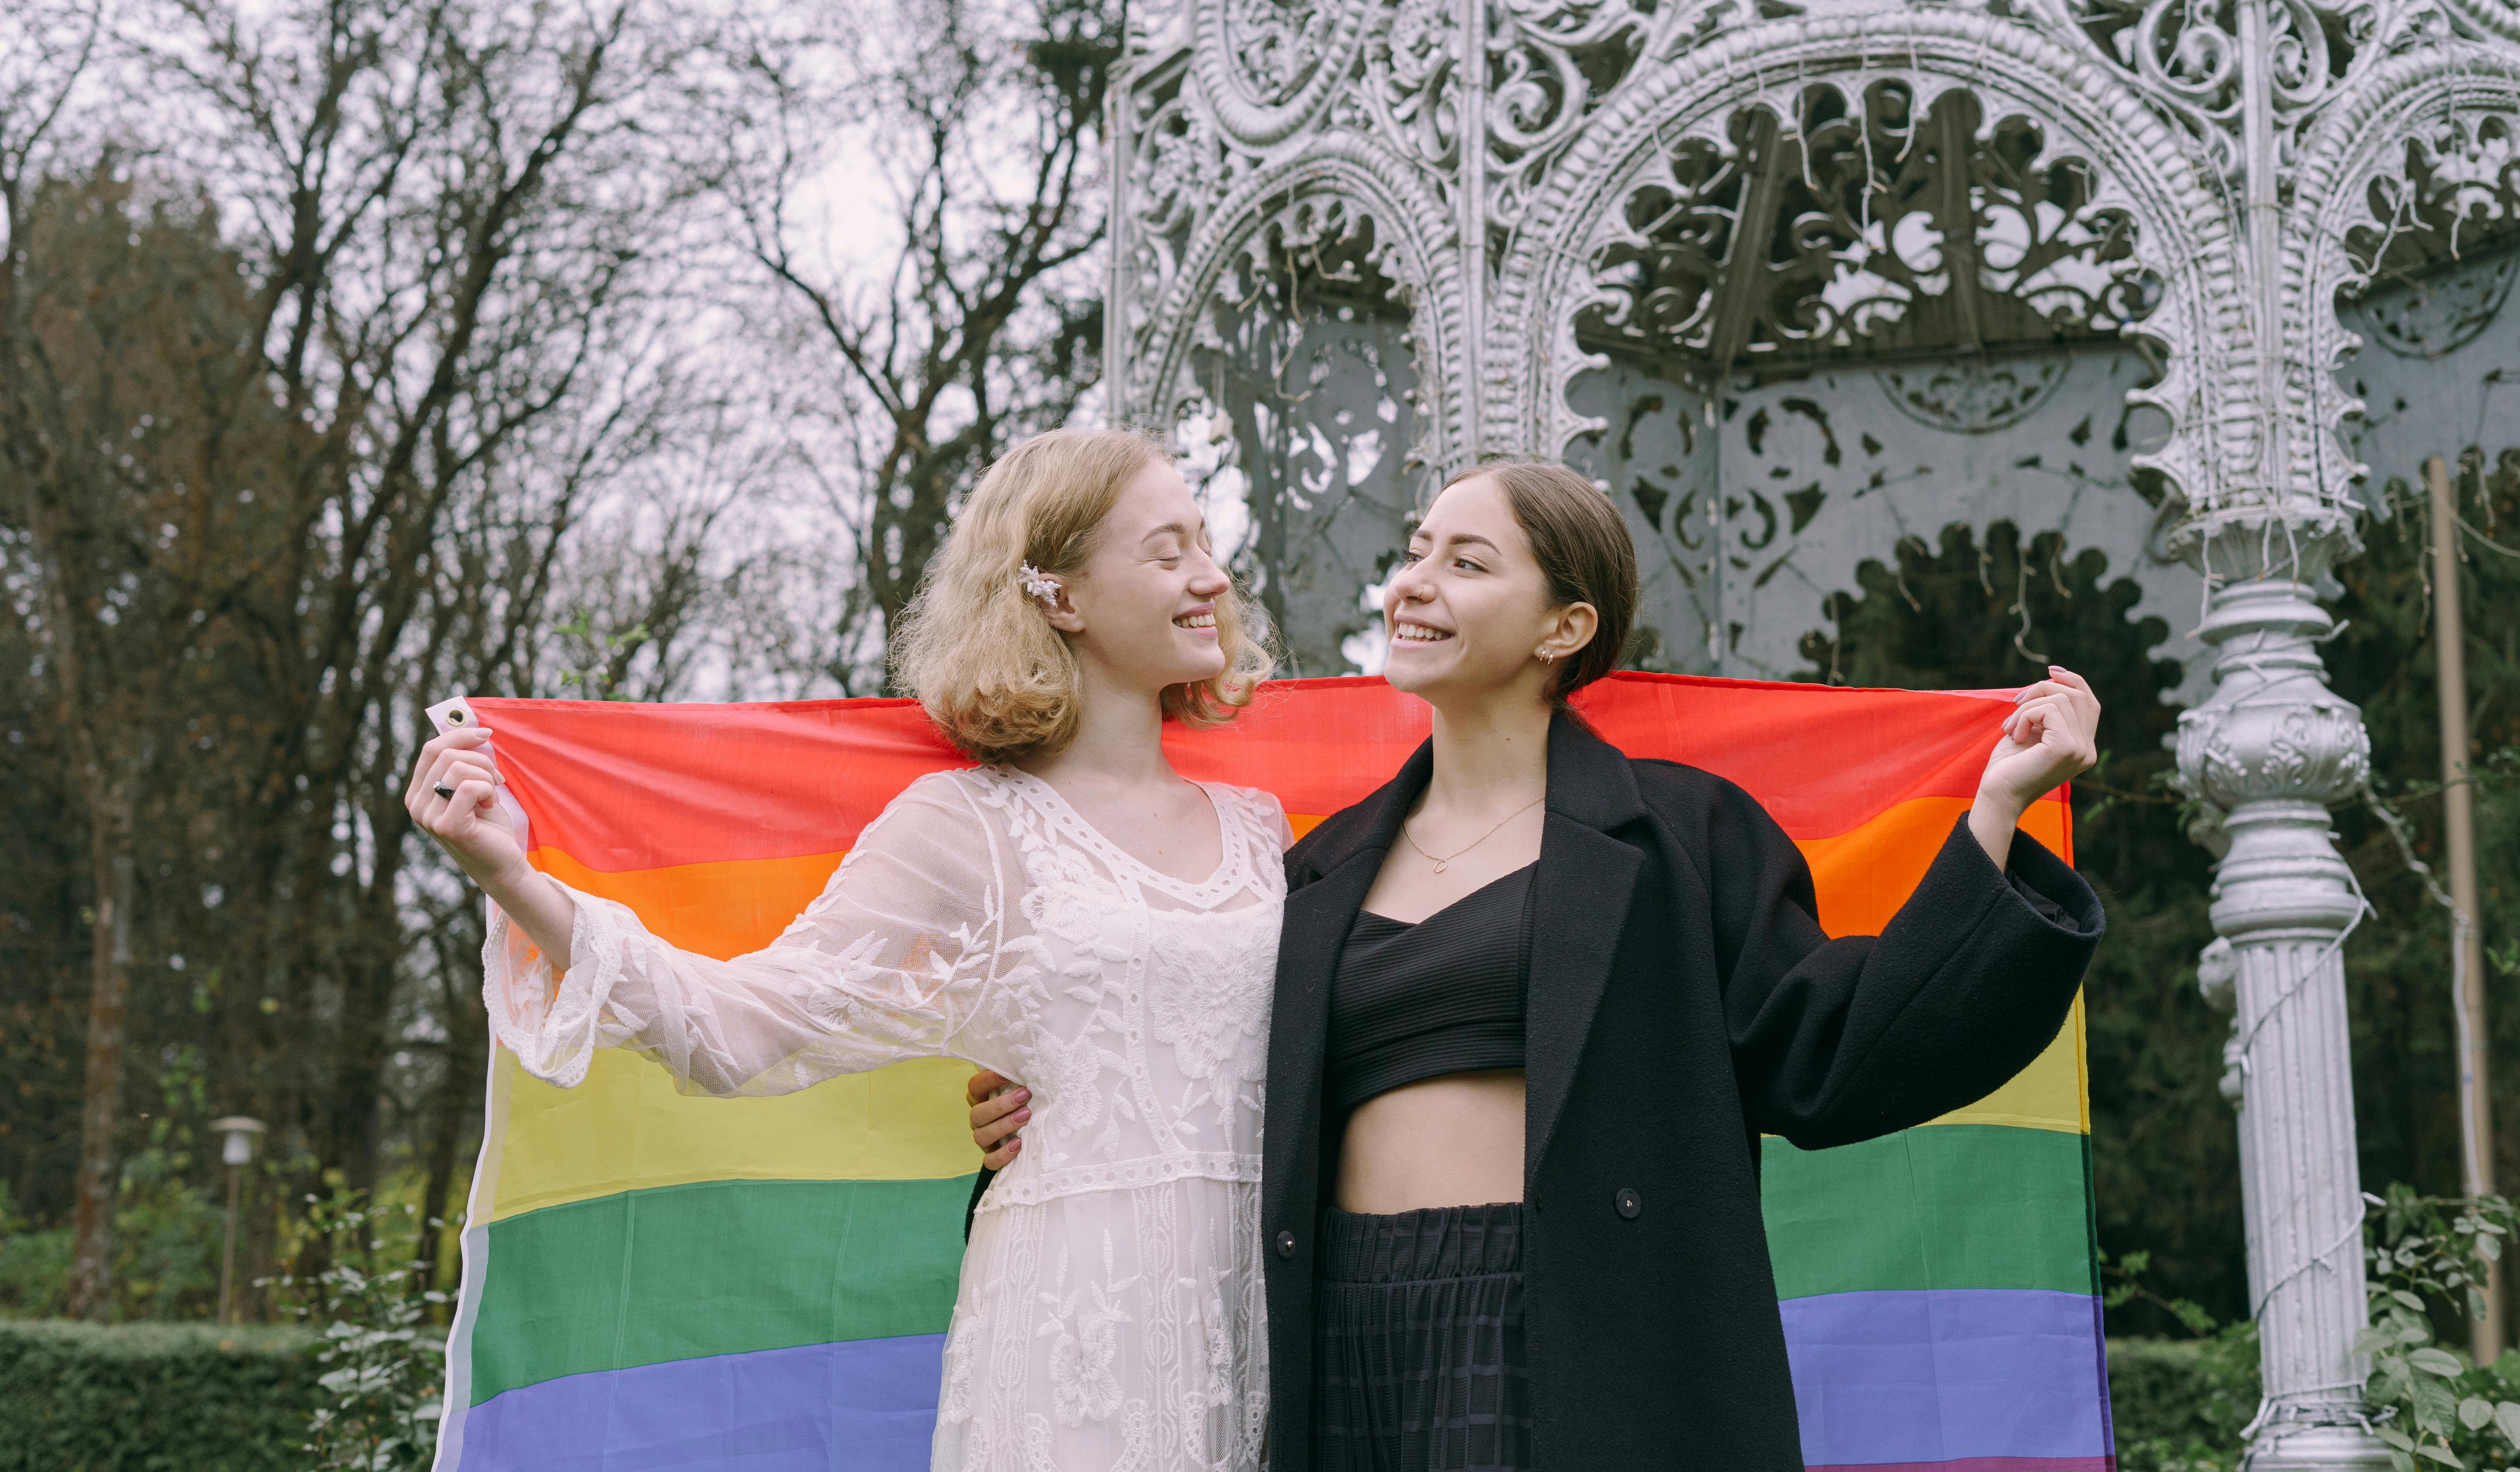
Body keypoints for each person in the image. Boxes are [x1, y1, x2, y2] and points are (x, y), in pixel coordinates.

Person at [968, 458, 2104, 1472]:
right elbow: (1203, 1061)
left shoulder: (1680, 839)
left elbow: (1837, 1053)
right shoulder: (1311, 872)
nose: (1416, 584)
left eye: (1468, 564)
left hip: (1573, 1320)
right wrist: (1045, 1097)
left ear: (1564, 628)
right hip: (1338, 1325)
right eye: (1415, 554)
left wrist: (1996, 815)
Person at [408, 428, 1291, 1472]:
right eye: (1168, 548)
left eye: (1206, 540)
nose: (1213, 574)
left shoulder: (1264, 827)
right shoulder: (964, 824)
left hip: (1275, 1313)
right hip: (1077, 1328)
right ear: (1059, 594)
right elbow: (740, 1030)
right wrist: (514, 875)